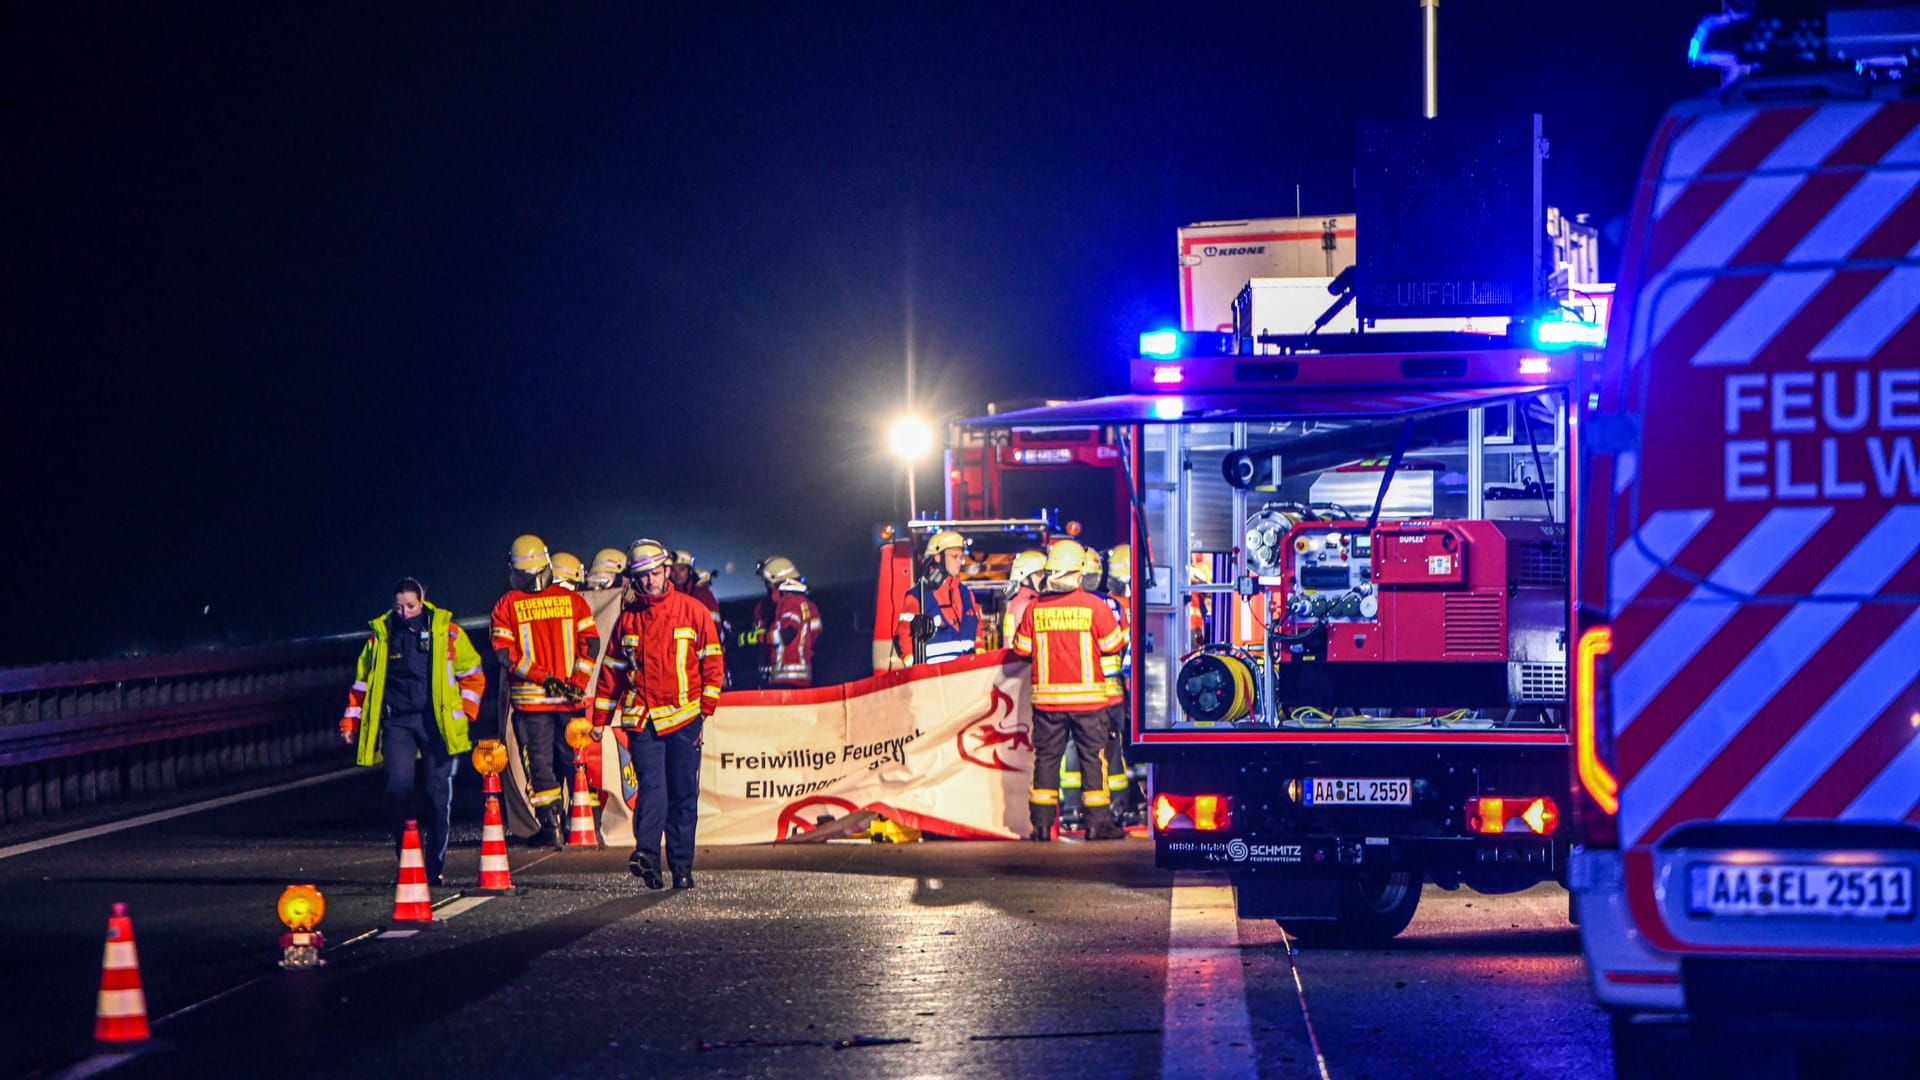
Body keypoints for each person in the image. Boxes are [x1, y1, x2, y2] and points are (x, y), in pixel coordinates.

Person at [591, 538, 724, 890]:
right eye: (642, 576)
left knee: (682, 793)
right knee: (652, 787)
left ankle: (682, 867)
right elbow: (612, 673)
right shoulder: (628, 620)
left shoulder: (693, 611)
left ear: (666, 570)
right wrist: (599, 720)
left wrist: (705, 708)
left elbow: (712, 662)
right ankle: (647, 853)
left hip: (684, 718)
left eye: (654, 573)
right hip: (643, 718)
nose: (649, 581)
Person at [340, 578, 485, 886]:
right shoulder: (380, 636)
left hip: (436, 723)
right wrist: (350, 721)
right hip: (398, 723)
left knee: (437, 794)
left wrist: (466, 714)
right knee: (398, 791)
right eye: (398, 607)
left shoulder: (447, 633)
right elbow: (361, 683)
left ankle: (434, 866)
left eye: (410, 606)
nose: (404, 613)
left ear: (423, 600)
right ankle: (409, 861)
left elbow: (472, 673)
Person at [1010, 539, 1127, 842]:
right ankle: (1096, 824)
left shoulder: (1034, 610)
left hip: (1047, 704)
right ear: (1077, 575)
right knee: (1093, 760)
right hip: (1088, 703)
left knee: (1047, 761)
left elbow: (1021, 649)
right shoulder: (1094, 606)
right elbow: (1113, 645)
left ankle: (1041, 826)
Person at [490, 534, 600, 849]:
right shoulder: (574, 601)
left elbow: (505, 654)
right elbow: (590, 644)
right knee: (575, 761)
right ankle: (579, 822)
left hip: (531, 704)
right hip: (569, 702)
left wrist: (543, 678)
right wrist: (576, 684)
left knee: (539, 764)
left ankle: (550, 827)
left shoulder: (506, 605)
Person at [894, 530, 979, 666]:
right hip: (934, 682)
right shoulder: (917, 596)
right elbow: (903, 637)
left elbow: (977, 631)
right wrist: (915, 673)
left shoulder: (966, 594)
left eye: (960, 557)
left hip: (966, 679)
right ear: (938, 557)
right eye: (954, 556)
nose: (960, 562)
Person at [752, 556, 822, 689]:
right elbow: (815, 634)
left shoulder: (789, 602)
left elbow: (788, 634)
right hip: (799, 678)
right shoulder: (806, 604)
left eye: (768, 582)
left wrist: (757, 638)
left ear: (776, 581)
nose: (768, 586)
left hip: (786, 680)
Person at [671, 549, 723, 634]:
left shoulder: (702, 594)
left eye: (682, 569)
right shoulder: (665, 594)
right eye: (673, 570)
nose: (677, 574)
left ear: (690, 571)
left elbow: (713, 627)